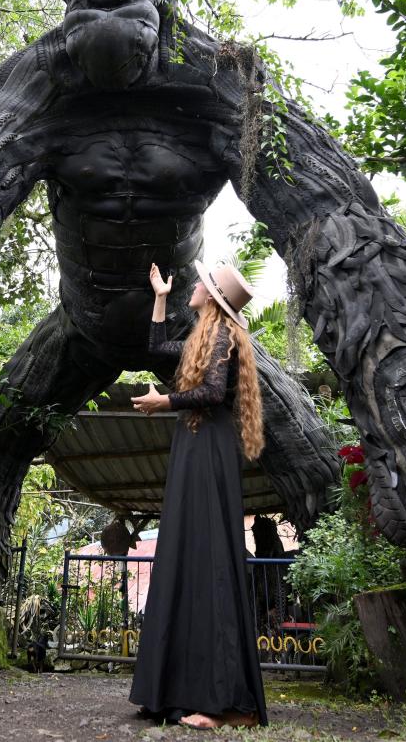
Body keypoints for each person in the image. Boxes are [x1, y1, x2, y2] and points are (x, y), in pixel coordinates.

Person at [127, 260, 268, 730]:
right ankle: (176, 690)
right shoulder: (203, 338)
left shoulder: (224, 337)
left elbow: (210, 393)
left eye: (200, 284)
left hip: (209, 449)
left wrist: (164, 402)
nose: (195, 286)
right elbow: (155, 347)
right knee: (186, 557)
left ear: (212, 296)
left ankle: (223, 701)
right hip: (194, 446)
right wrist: (161, 297)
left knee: (209, 563)